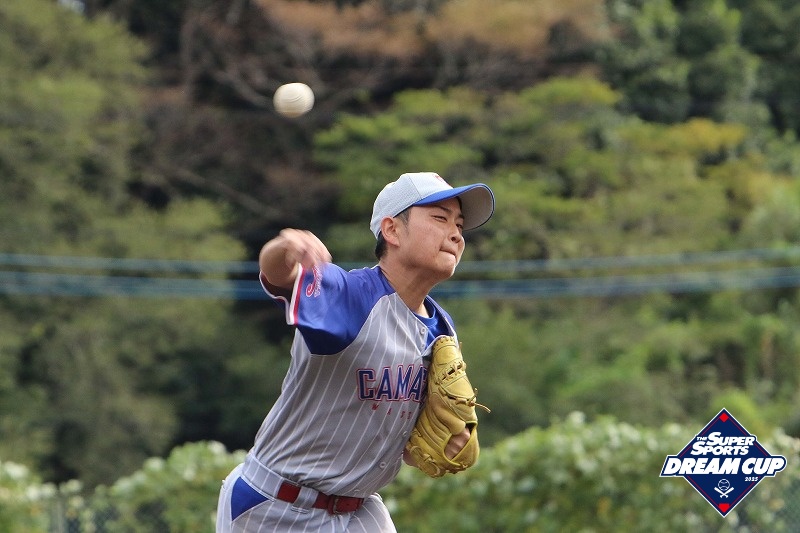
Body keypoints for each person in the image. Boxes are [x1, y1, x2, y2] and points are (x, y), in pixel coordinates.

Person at [216, 172, 495, 532]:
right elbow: (280, 276)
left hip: (357, 509)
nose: (456, 234)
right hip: (276, 505)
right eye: (440, 218)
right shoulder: (349, 297)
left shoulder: (441, 330)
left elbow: (411, 447)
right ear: (392, 230)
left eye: (459, 224)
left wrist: (445, 440)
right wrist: (284, 247)